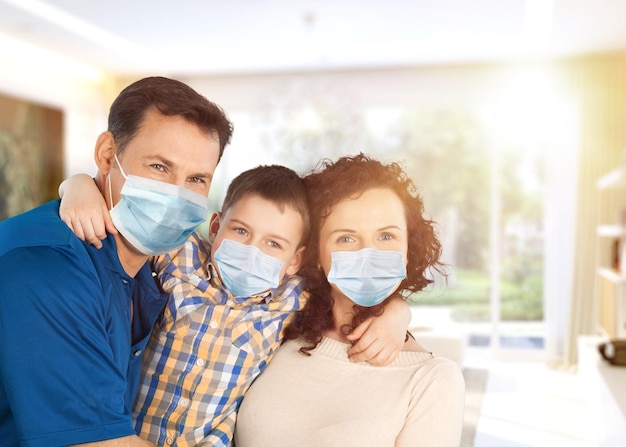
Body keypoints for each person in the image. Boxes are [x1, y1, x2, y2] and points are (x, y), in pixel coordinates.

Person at [58, 164, 412, 447]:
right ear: (215, 226)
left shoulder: (292, 298)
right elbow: (128, 218)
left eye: (274, 243)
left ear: (295, 259)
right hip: (125, 436)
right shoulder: (180, 258)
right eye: (241, 231)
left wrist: (397, 313)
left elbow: (356, 285)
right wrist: (76, 185)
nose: (253, 249)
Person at [0, 76, 234, 447]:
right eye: (159, 167)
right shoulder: (47, 267)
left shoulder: (157, 262)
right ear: (107, 154)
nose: (175, 195)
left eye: (196, 179)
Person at [234, 153, 466, 447]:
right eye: (346, 239)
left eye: (386, 237)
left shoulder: (432, 380)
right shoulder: (275, 323)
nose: (368, 254)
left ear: (408, 248)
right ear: (317, 254)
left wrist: (396, 311)